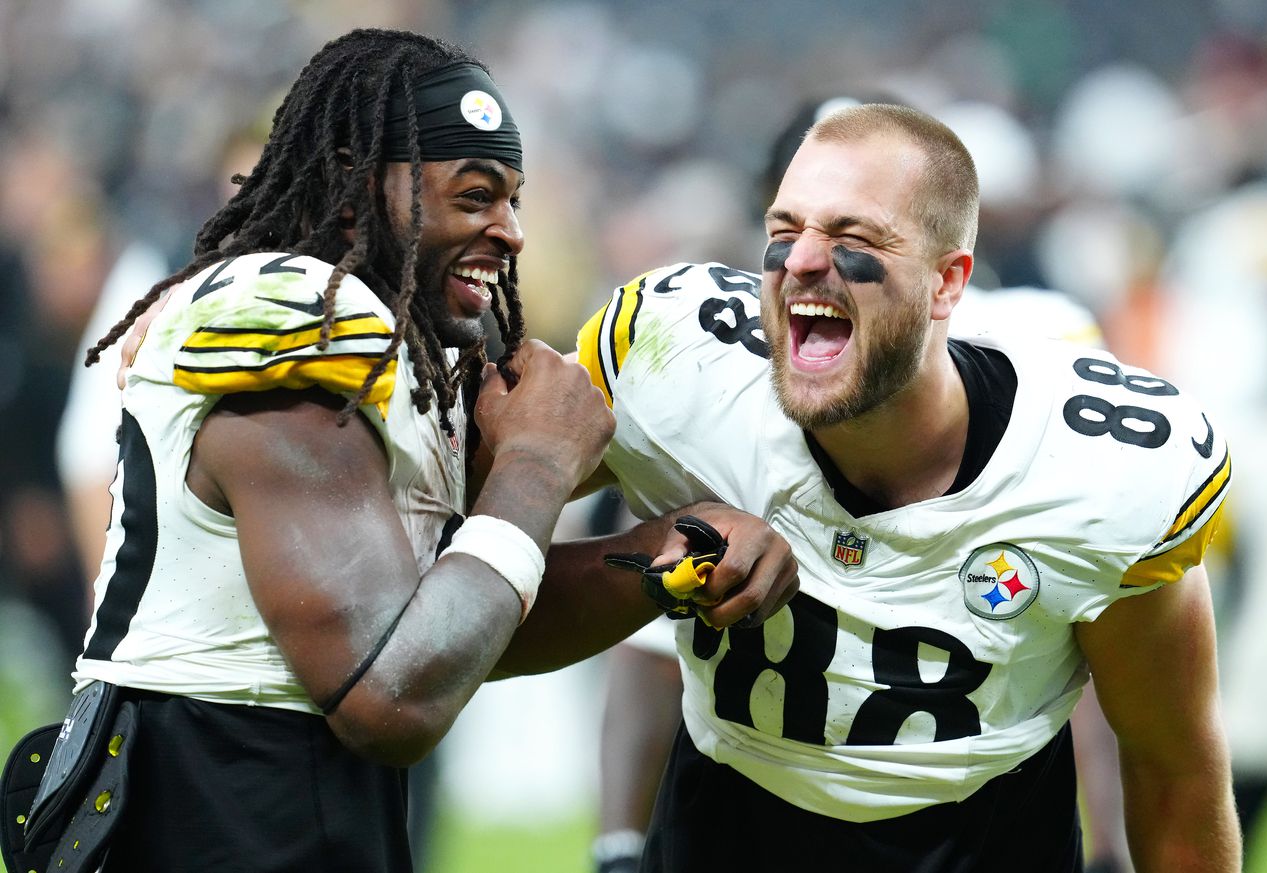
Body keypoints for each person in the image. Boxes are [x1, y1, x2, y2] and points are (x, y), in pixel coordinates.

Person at [2, 28, 797, 873]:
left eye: (513, 199)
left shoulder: (399, 347)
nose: (512, 232)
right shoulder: (295, 324)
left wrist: (659, 556)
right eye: (476, 195)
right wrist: (533, 465)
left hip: (286, 796)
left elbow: (450, 623)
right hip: (211, 792)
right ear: (355, 194)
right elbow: (390, 698)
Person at [565, 103, 1239, 871]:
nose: (802, 262)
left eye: (853, 238)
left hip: (990, 837)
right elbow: (478, 555)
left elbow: (1173, 765)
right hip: (722, 819)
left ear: (949, 280)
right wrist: (645, 549)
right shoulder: (680, 364)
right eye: (784, 232)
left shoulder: (1101, 465)